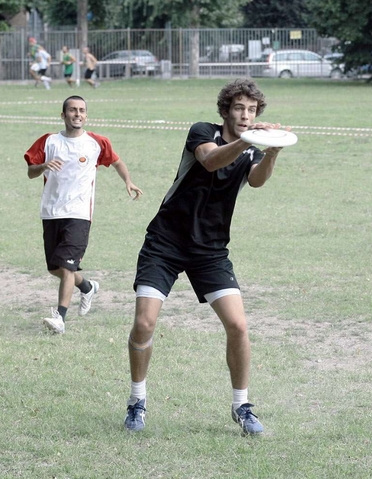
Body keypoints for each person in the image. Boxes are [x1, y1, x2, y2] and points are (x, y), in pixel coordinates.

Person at [124, 79, 287, 434]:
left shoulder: (252, 148)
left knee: (239, 325)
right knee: (144, 323)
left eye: (252, 110)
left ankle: (242, 406)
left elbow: (257, 180)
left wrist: (271, 149)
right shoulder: (202, 131)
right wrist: (250, 139)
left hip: (211, 250)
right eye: (240, 108)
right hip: (165, 242)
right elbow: (211, 161)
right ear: (226, 109)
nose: (246, 116)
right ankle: (137, 400)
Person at [24, 96, 143, 334]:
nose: (77, 114)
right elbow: (30, 172)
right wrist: (44, 166)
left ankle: (60, 318)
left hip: (79, 213)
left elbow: (117, 162)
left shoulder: (96, 143)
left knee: (67, 268)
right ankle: (88, 287)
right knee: (54, 268)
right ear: (63, 115)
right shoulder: (49, 141)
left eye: (81, 111)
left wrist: (128, 182)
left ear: (86, 116)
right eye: (72, 110)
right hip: (51, 212)